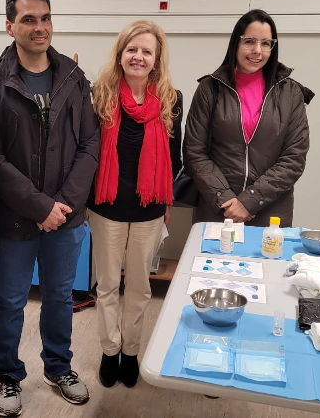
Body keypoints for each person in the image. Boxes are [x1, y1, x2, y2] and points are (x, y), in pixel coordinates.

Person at [0, 0, 100, 417]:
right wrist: (38, 206)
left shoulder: (72, 76)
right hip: (15, 216)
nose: (39, 27)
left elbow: (89, 144)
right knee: (10, 299)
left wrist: (61, 205)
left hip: (66, 216)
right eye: (28, 19)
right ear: (9, 25)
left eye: (45, 18)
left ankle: (58, 367)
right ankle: (7, 375)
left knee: (60, 295)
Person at [87, 20, 182, 388]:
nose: (138, 57)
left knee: (141, 287)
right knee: (108, 285)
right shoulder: (99, 95)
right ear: (121, 54)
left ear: (156, 60)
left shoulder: (172, 100)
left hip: (149, 209)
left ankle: (131, 353)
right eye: (132, 49)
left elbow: (174, 157)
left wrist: (167, 202)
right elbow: (88, 153)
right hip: (106, 206)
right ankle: (110, 352)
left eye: (146, 51)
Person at [183, 9, 314, 227]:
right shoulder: (210, 89)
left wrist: (249, 201)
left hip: (270, 211)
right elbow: (194, 152)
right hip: (219, 209)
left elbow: (294, 158)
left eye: (266, 43)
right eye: (249, 41)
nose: (257, 51)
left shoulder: (291, 93)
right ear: (236, 43)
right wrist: (226, 199)